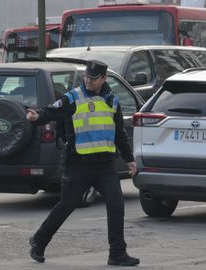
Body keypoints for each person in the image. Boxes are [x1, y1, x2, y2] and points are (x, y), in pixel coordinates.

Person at [26, 60, 140, 266]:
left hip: (105, 164)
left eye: (93, 78)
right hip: (79, 162)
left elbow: (119, 133)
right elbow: (52, 111)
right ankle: (39, 241)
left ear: (104, 79)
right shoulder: (73, 97)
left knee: (116, 205)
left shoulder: (112, 100)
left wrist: (129, 159)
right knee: (67, 205)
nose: (88, 81)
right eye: (86, 77)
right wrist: (37, 116)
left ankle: (117, 253)